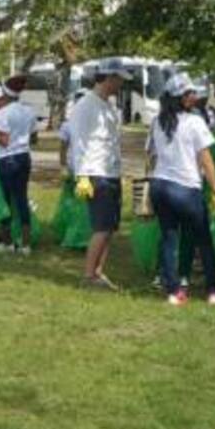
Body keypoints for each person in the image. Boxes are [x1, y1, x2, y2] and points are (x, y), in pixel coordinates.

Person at [147, 74, 215, 306]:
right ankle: (212, 290)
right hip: (186, 188)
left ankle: (174, 291)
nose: (194, 96)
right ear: (180, 97)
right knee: (204, 240)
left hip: (160, 186)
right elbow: (205, 158)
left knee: (169, 238)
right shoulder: (194, 122)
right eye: (189, 93)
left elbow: (151, 157)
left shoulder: (157, 121)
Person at [71, 58, 131, 290]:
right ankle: (88, 276)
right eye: (118, 79)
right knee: (101, 227)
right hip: (95, 172)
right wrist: (82, 174)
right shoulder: (86, 105)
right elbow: (79, 141)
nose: (120, 84)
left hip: (111, 171)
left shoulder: (108, 105)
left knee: (111, 227)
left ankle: (98, 272)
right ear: (108, 77)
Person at [0, 75, 38, 254]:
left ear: (4, 92)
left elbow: (3, 141)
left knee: (5, 201)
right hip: (24, 156)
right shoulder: (29, 111)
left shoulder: (1, 114)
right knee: (22, 199)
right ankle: (26, 244)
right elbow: (34, 137)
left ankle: (7, 243)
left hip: (6, 159)